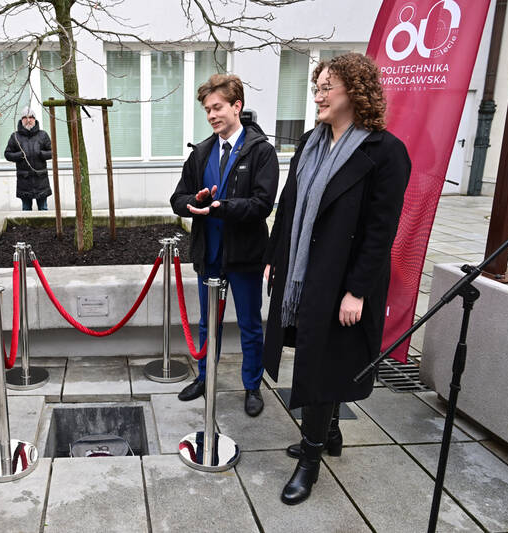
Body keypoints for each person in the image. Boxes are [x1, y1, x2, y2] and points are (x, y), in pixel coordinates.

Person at [262, 53, 410, 505]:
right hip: (303, 274)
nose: (318, 96)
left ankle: (309, 460)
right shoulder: (311, 141)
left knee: (321, 365)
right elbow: (289, 205)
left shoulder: (385, 152)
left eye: (328, 87)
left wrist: (356, 291)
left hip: (342, 280)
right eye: (317, 87)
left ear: (355, 92)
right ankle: (329, 434)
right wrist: (274, 256)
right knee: (314, 355)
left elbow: (381, 232)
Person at [170, 74, 279, 417]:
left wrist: (221, 207)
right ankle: (205, 378)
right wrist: (195, 201)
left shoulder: (261, 151)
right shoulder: (201, 153)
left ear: (236, 106)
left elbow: (262, 204)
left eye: (217, 107)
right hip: (210, 255)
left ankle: (252, 386)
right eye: (207, 110)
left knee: (249, 324)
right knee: (208, 324)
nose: (212, 115)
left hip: (245, 256)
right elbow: (177, 199)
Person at [4, 107, 52, 210]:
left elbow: (53, 152)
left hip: (41, 180)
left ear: (35, 119)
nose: (28, 120)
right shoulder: (15, 136)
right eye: (25, 118)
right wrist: (20, 155)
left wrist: (41, 154)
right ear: (21, 120)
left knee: (43, 210)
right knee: (26, 211)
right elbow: (7, 154)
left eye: (31, 117)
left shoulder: (43, 135)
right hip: (24, 181)